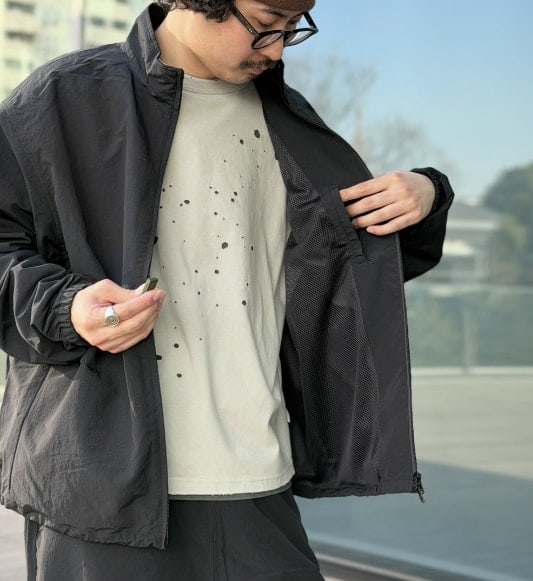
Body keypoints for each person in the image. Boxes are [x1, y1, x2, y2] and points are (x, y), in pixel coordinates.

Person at [0, 0, 454, 579]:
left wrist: (427, 195)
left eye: (293, 28)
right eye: (265, 25)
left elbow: (348, 278)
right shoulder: (63, 99)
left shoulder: (291, 122)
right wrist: (66, 308)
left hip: (260, 479)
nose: (278, 49)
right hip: (103, 487)